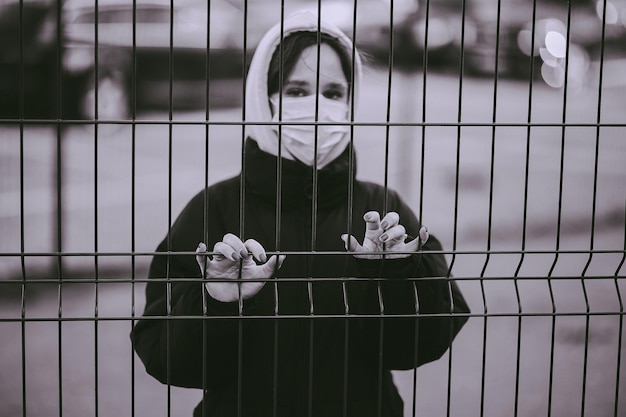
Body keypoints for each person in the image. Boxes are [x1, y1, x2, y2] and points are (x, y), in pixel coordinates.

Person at [131, 11, 469, 417]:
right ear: (263, 97)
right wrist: (215, 302)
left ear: (350, 102)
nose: (314, 108)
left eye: (332, 92)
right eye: (295, 91)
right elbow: (168, 360)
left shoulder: (384, 211)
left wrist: (395, 276)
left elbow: (417, 346)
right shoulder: (213, 209)